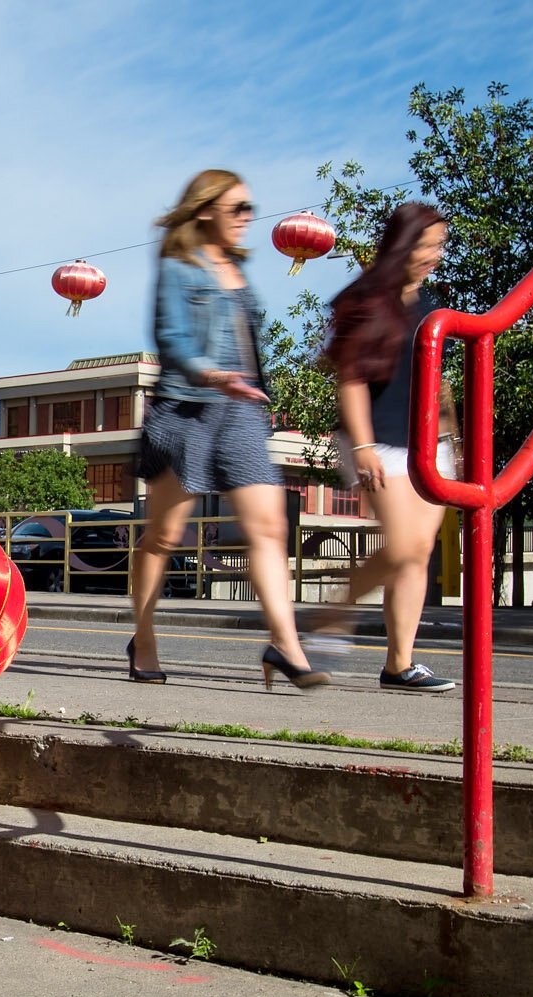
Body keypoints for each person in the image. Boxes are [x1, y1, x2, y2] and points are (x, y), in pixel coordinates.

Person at [127, 168, 329, 690]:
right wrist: (215, 375)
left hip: (239, 413)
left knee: (269, 528)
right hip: (187, 407)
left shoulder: (237, 270)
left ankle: (286, 646)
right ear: (204, 210)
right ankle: (143, 638)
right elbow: (170, 338)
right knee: (164, 537)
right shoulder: (179, 266)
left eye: (249, 209)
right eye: (237, 208)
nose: (247, 219)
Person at [321, 202, 457, 693]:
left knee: (417, 555)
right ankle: (332, 614)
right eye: (426, 245)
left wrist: (452, 439)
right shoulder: (367, 298)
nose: (434, 255)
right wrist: (360, 446)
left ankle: (399, 664)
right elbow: (351, 376)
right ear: (403, 244)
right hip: (375, 439)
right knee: (401, 546)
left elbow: (438, 381)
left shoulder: (431, 304)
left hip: (426, 443)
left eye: (439, 245)